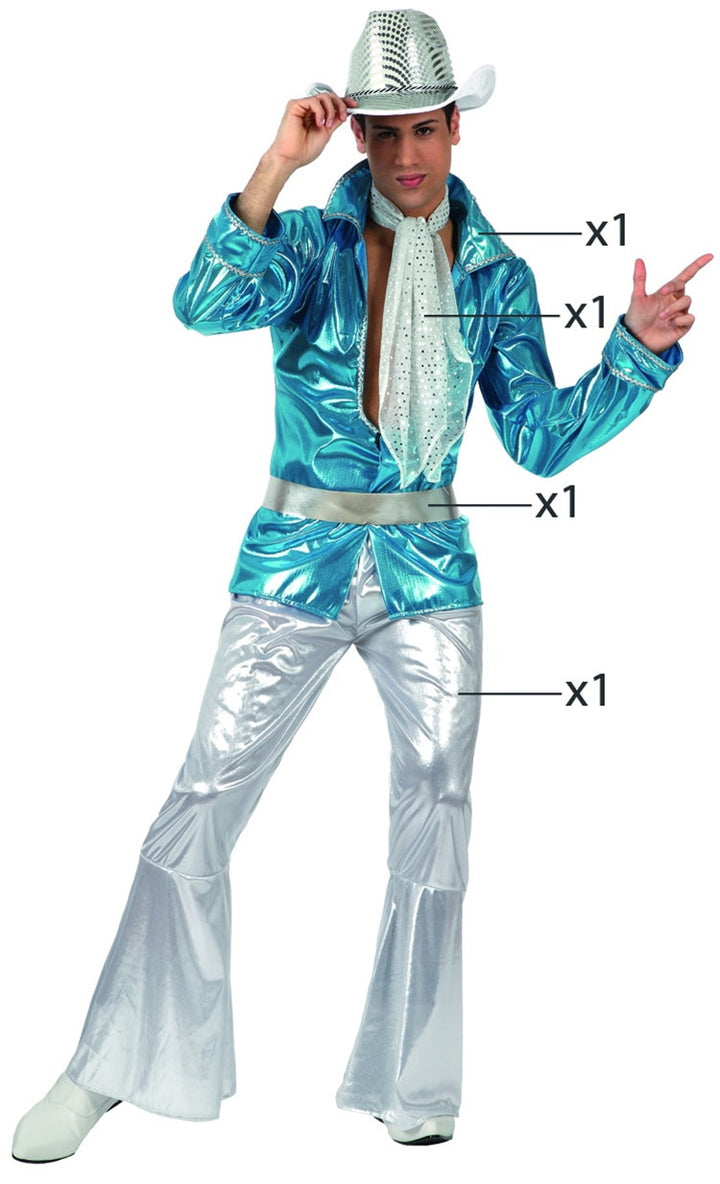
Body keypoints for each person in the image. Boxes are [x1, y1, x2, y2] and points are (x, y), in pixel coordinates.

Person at [11, 8, 711, 1163]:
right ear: (359, 139)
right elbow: (200, 305)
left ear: (455, 128)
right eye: (383, 133)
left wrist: (634, 353)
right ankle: (113, 1065)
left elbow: (538, 439)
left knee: (437, 807)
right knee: (203, 794)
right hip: (297, 559)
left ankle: (413, 1079)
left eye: (424, 128)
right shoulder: (307, 246)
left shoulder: (496, 271)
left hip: (429, 571)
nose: (406, 154)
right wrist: (272, 165)